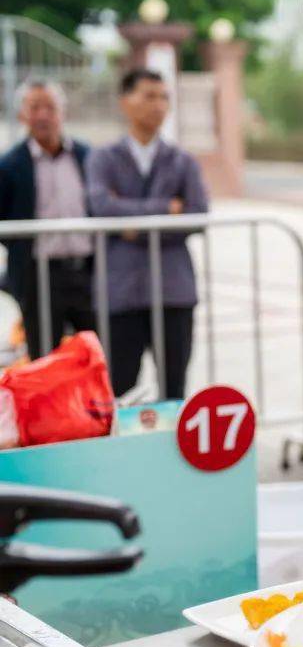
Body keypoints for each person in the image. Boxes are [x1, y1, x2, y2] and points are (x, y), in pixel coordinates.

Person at [86, 68, 208, 400]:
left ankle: (171, 452)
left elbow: (197, 216)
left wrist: (131, 225)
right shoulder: (103, 158)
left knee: (174, 388)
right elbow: (101, 208)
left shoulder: (183, 161)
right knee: (121, 388)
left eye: (164, 97)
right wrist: (166, 210)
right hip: (121, 290)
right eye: (149, 96)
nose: (158, 105)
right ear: (125, 102)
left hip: (173, 290)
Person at [0, 80, 95, 358]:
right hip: (38, 276)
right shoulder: (10, 166)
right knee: (45, 359)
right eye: (34, 107)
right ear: (22, 115)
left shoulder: (86, 156)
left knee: (97, 354)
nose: (43, 115)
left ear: (62, 112)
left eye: (50, 107)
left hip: (86, 272)